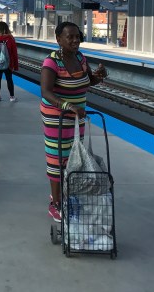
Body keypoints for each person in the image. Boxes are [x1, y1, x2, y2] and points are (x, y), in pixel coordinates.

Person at [40, 21, 108, 222]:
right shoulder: (51, 62)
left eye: (77, 36)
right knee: (56, 158)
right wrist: (67, 106)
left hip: (77, 117)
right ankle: (56, 203)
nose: (75, 40)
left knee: (72, 156)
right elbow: (45, 91)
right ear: (58, 39)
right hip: (56, 117)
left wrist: (99, 77)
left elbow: (88, 81)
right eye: (69, 37)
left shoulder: (80, 58)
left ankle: (64, 193)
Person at [0, 21, 19, 102]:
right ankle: (12, 97)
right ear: (6, 28)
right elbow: (14, 53)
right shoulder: (10, 38)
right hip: (8, 63)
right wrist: (15, 65)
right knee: (9, 79)